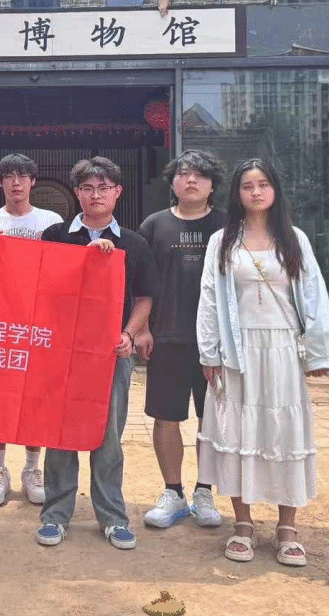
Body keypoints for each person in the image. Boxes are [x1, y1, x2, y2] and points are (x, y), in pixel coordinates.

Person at [196, 157, 329, 567]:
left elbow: (313, 295)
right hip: (236, 349)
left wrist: (319, 352)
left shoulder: (294, 239)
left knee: (283, 432)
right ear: (237, 194)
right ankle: (242, 524)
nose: (256, 192)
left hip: (281, 350)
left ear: (275, 189)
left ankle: (287, 527)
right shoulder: (222, 241)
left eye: (263, 184)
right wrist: (209, 351)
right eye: (247, 186)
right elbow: (209, 298)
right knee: (238, 431)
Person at [36, 157, 158, 551]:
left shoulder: (134, 243)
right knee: (60, 434)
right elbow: (41, 285)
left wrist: (128, 333)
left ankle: (113, 517)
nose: (95, 195)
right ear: (77, 193)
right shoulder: (56, 235)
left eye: (104, 187)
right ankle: (55, 515)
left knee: (108, 438)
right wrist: (85, 258)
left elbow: (145, 298)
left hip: (111, 355)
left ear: (118, 192)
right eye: (87, 188)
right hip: (63, 354)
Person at [138, 150, 227, 530]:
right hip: (166, 337)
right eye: (184, 174)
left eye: (200, 175)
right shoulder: (154, 225)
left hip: (216, 345)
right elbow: (141, 283)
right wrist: (141, 328)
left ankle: (204, 492)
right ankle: (173, 493)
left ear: (212, 185)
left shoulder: (227, 227)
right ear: (172, 182)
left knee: (213, 421)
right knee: (166, 417)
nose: (191, 180)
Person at [0, 153, 62, 508]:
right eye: (9, 176)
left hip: (38, 322)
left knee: (35, 397)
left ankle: (31, 468)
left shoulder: (52, 221)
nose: (16, 182)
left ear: (32, 181)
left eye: (23, 176)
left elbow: (63, 269)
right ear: (0, 183)